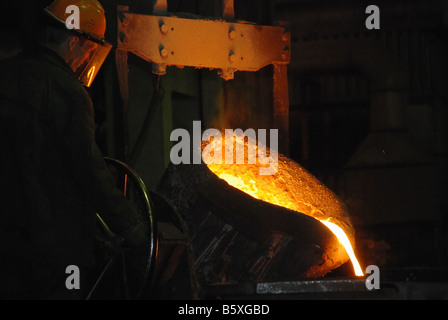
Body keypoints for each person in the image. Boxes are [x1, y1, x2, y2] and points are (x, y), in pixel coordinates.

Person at [0, 0, 148, 299]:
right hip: (52, 254)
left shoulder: (6, 74)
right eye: (89, 50)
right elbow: (90, 171)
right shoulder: (66, 90)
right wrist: (133, 228)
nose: (87, 58)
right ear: (74, 41)